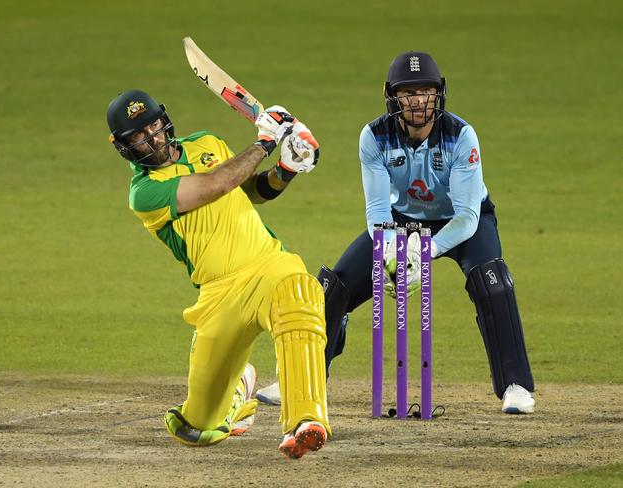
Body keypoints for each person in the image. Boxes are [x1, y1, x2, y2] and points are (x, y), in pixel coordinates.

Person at [257, 52, 536, 415]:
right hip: (402, 217)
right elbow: (377, 211)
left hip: (462, 220)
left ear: (438, 95)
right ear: (393, 97)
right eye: (409, 93)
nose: (418, 101)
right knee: (333, 286)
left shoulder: (461, 136)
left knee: (492, 281)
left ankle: (515, 387)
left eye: (426, 92)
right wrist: (392, 248)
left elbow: (467, 216)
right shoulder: (373, 136)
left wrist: (424, 251)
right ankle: (302, 380)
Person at [106, 89, 331, 458]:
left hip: (267, 264)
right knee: (197, 425)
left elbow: (249, 191)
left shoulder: (207, 143)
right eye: (138, 136)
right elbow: (216, 185)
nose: (153, 139)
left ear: (164, 120)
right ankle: (239, 391)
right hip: (218, 296)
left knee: (300, 296)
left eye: (154, 127)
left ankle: (306, 421)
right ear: (123, 146)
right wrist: (266, 141)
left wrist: (286, 169)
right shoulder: (144, 193)